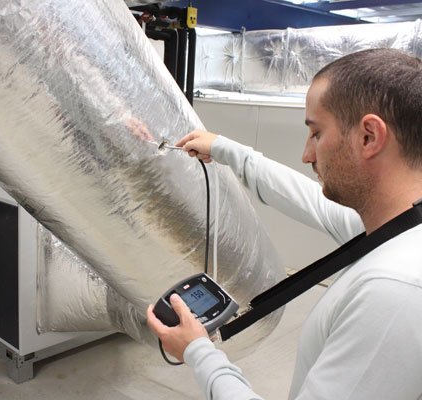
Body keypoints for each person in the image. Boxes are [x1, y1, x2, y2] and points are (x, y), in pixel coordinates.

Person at [146, 48, 422, 399]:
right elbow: (304, 197)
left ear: (369, 136)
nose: (307, 155)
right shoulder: (400, 228)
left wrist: (198, 352)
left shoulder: (394, 290)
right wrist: (225, 148)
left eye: (316, 133)